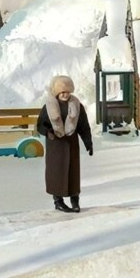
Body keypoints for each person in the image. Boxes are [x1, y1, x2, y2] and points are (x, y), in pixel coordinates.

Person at [36, 75, 94, 213]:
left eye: (67, 91)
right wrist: (48, 132)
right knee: (57, 173)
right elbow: (40, 125)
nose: (65, 94)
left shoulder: (77, 106)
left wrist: (88, 143)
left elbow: (83, 126)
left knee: (73, 173)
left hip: (71, 143)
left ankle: (75, 201)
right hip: (55, 145)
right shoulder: (48, 107)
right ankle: (58, 201)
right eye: (62, 92)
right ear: (56, 92)